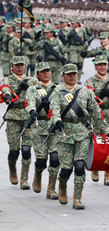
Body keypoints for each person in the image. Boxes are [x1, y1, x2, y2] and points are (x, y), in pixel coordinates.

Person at [49, 64, 109, 209]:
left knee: (79, 166)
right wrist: (57, 121)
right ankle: (62, 186)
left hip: (83, 134)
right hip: (64, 135)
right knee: (66, 169)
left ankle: (77, 198)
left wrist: (106, 130)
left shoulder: (85, 92)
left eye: (74, 74)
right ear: (63, 75)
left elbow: (96, 113)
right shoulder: (57, 92)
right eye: (69, 74)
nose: (72, 77)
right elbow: (54, 109)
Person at [1, 56, 38, 189]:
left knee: (27, 150)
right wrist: (6, 95)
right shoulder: (8, 79)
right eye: (17, 65)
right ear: (12, 67)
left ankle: (24, 179)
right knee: (14, 151)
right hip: (13, 118)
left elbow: (39, 93)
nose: (20, 67)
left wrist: (29, 88)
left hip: (28, 117)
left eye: (22, 65)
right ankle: (12, 168)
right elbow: (4, 87)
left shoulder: (32, 80)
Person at [85, 55, 109, 186]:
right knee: (97, 144)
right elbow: (88, 96)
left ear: (107, 66)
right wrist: (99, 94)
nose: (102, 67)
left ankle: (108, 174)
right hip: (97, 117)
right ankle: (95, 168)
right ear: (95, 67)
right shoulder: (90, 81)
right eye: (99, 65)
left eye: (104, 64)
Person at [25, 62, 60, 198]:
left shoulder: (57, 89)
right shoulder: (33, 89)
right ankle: (38, 173)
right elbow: (30, 102)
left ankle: (51, 189)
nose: (46, 73)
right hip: (39, 127)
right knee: (41, 160)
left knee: (55, 158)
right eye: (43, 71)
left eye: (48, 71)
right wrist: (32, 111)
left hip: (54, 127)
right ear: (37, 74)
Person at [67, 18, 89, 83]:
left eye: (74, 23)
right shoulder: (71, 30)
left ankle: (78, 79)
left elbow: (86, 39)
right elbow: (66, 39)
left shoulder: (82, 30)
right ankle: (73, 78)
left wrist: (85, 47)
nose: (72, 24)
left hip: (80, 48)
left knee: (80, 64)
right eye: (72, 23)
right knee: (74, 63)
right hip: (73, 48)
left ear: (77, 24)